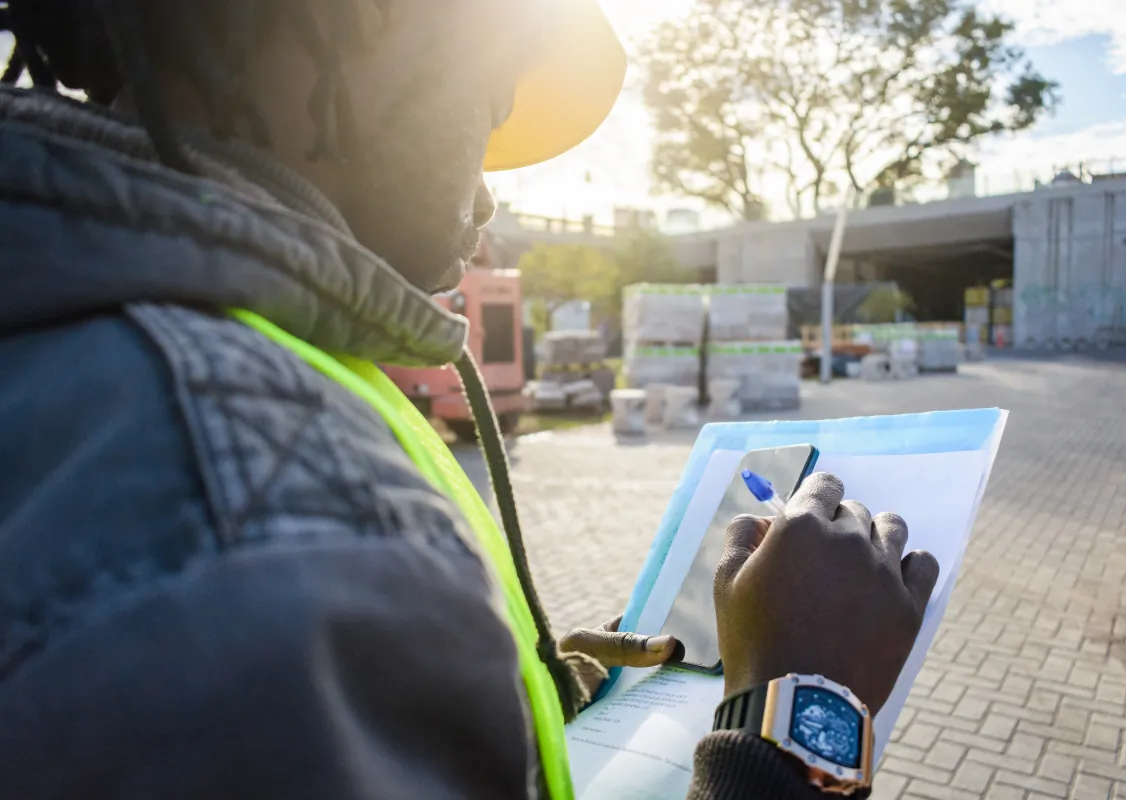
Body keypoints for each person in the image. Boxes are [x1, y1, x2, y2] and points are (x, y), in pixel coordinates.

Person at [0, 1, 939, 798]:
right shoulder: (277, 522)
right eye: (488, 112)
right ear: (357, 28)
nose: (487, 198)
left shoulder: (129, 344)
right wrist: (795, 716)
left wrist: (517, 691)